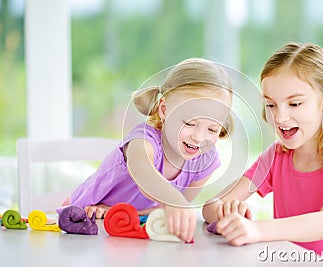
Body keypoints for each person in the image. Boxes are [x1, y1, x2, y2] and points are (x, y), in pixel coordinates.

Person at [202, 43, 323, 266]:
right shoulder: (275, 157)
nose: (280, 117)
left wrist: (256, 229)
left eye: (294, 103)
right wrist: (228, 212)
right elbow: (210, 207)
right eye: (271, 105)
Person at [62, 58, 234, 242]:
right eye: (190, 123)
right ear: (164, 109)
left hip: (131, 226)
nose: (199, 138)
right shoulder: (143, 140)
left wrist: (117, 212)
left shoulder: (205, 160)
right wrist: (173, 201)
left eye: (212, 129)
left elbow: (171, 210)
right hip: (86, 221)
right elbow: (142, 172)